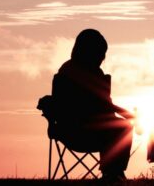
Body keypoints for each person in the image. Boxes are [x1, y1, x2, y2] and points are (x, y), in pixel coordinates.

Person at [49, 29, 134, 181]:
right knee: (124, 128)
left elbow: (106, 105)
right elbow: (104, 105)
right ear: (91, 52)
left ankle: (113, 173)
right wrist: (129, 116)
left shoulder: (67, 70)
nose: (103, 58)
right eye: (101, 53)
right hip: (82, 131)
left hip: (69, 131)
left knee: (120, 127)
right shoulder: (79, 73)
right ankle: (113, 173)